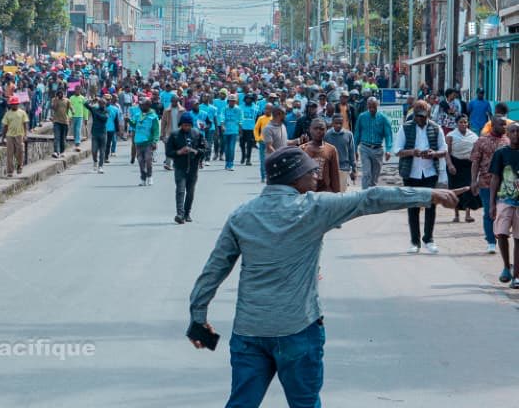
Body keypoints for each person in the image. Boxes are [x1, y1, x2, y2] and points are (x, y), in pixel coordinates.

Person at [188, 146, 467, 407]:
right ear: (294, 177)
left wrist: (198, 318)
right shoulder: (313, 208)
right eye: (310, 171)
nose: (316, 175)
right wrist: (430, 195)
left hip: (249, 332)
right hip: (297, 330)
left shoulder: (241, 215)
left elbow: (214, 270)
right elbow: (371, 198)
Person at [394, 100, 446, 254]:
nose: (420, 119)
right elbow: (397, 150)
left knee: (431, 206)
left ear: (428, 114)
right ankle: (415, 242)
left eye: (423, 116)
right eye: (417, 116)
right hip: (411, 173)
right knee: (413, 207)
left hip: (430, 173)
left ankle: (429, 239)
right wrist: (412, 152)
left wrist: (433, 154)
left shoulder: (436, 128)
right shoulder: (405, 128)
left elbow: (444, 150)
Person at [471, 116, 509, 253]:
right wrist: (473, 181)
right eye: (501, 125)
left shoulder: (508, 140)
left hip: (506, 185)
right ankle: (491, 242)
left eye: (505, 124)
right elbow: (475, 162)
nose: (504, 127)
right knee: (489, 212)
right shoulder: (481, 141)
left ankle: (501, 236)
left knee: (504, 213)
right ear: (493, 125)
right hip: (486, 183)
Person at [489, 122, 519, 286]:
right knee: (501, 233)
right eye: (512, 131)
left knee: (518, 239)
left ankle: (516, 276)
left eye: (518, 131)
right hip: (504, 200)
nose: (516, 134)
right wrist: (492, 203)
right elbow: (495, 178)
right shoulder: (501, 153)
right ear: (507, 134)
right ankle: (507, 267)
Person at [167, 113, 206, 224]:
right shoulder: (174, 135)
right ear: (181, 124)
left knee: (190, 191)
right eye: (184, 125)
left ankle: (187, 213)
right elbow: (168, 152)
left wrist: (195, 151)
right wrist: (179, 152)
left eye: (188, 125)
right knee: (180, 190)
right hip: (180, 167)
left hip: (193, 167)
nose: (186, 127)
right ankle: (180, 214)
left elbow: (205, 149)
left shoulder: (197, 134)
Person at [445, 114, 479, 223]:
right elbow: (447, 152)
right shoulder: (451, 135)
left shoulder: (473, 136)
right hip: (455, 164)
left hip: (468, 165)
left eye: (465, 122)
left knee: (468, 188)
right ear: (456, 123)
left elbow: (476, 151)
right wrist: (450, 165)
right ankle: (456, 214)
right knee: (455, 189)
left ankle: (468, 214)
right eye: (461, 122)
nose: (463, 124)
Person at [353, 97, 392, 188]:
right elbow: (357, 134)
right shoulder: (362, 117)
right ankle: (365, 194)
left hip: (378, 150)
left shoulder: (383, 118)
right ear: (367, 106)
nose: (372, 109)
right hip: (365, 148)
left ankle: (372, 193)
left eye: (374, 107)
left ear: (377, 105)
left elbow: (388, 135)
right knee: (366, 173)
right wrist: (355, 149)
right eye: (370, 107)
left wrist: (388, 150)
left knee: (374, 177)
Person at [297, 117, 342, 194]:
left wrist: (336, 194)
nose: (318, 131)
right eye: (315, 128)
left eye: (321, 129)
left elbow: (335, 176)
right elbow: (298, 175)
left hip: (325, 193)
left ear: (326, 130)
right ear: (310, 130)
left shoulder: (331, 150)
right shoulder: (302, 149)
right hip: (306, 194)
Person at [323, 112, 356, 190]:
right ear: (332, 123)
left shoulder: (349, 135)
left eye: (340, 123)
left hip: (344, 167)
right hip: (330, 168)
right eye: (336, 123)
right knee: (332, 191)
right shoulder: (327, 135)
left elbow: (351, 152)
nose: (338, 125)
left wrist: (354, 169)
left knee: (342, 192)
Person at [134, 99, 160, 186]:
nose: (141, 106)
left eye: (143, 105)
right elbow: (134, 125)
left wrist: (155, 141)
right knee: (140, 161)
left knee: (148, 160)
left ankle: (150, 176)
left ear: (148, 106)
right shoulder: (137, 115)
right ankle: (143, 178)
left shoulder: (153, 117)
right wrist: (129, 121)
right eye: (140, 105)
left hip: (148, 142)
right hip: (138, 141)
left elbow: (156, 130)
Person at [1, 95, 28, 177]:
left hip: (19, 135)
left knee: (20, 152)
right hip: (10, 135)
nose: (14, 105)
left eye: (15, 104)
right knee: (10, 154)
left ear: (18, 104)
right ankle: (10, 171)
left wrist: (25, 134)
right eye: (12, 104)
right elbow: (5, 126)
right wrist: (3, 137)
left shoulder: (22, 113)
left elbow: (25, 124)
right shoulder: (7, 114)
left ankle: (20, 165)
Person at [86, 95, 109, 173]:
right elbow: (85, 104)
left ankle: (100, 166)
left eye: (104, 103)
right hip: (95, 133)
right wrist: (92, 100)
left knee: (102, 151)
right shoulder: (95, 109)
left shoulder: (106, 111)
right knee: (94, 150)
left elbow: (104, 118)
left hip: (103, 133)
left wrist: (96, 113)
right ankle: (95, 161)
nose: (103, 105)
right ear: (99, 104)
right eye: (101, 103)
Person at [219, 94, 242, 171]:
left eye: (233, 101)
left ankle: (231, 164)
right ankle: (226, 163)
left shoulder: (238, 109)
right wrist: (222, 125)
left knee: (231, 148)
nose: (232, 102)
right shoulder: (224, 109)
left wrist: (240, 128)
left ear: (235, 101)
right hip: (226, 131)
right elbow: (222, 117)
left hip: (234, 131)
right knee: (226, 148)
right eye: (231, 101)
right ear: (228, 101)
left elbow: (240, 119)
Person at [49, 89, 70, 158]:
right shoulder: (54, 100)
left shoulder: (67, 100)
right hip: (56, 121)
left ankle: (62, 151)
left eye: (62, 93)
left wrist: (70, 116)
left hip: (65, 121)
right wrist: (56, 100)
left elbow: (70, 108)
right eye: (59, 93)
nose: (60, 95)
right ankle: (56, 151)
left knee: (63, 138)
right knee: (57, 137)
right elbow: (54, 108)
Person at [69, 86, 87, 151]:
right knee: (74, 130)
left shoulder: (83, 98)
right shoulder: (71, 98)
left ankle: (77, 143)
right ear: (74, 90)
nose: (77, 91)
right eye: (76, 90)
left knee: (78, 129)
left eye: (78, 90)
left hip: (80, 116)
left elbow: (85, 109)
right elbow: (69, 108)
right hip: (73, 116)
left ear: (80, 91)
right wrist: (70, 116)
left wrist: (86, 118)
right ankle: (75, 141)